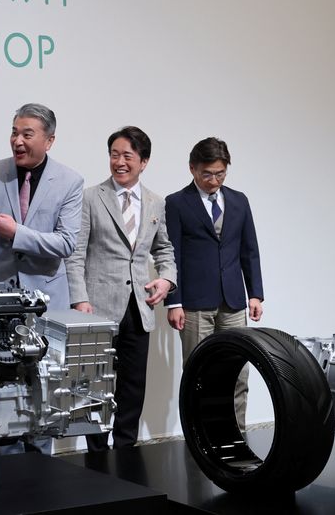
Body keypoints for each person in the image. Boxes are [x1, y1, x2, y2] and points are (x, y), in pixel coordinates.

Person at [0, 103, 83, 455]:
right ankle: (4, 480)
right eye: (14, 132)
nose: (17, 141)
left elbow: (67, 243)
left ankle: (41, 473)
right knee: (2, 392)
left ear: (49, 140)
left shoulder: (70, 181)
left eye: (27, 134)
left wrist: (16, 233)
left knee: (44, 394)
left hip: (47, 306)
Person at [66, 126, 176, 451]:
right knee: (94, 386)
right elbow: (75, 253)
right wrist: (79, 299)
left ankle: (125, 449)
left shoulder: (156, 203)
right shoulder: (90, 197)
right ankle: (97, 454)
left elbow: (165, 251)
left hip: (139, 309)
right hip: (97, 308)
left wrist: (167, 279)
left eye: (127, 155)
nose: (119, 162)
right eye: (114, 154)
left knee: (132, 386)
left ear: (144, 161)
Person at [165, 137, 263, 430]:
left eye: (220, 173)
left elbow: (249, 249)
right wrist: (174, 300)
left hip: (233, 301)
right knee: (198, 374)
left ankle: (237, 435)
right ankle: (200, 439)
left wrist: (255, 294)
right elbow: (172, 255)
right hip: (194, 304)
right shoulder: (177, 203)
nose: (213, 180)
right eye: (207, 174)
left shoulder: (239, 200)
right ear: (193, 169)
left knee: (238, 373)